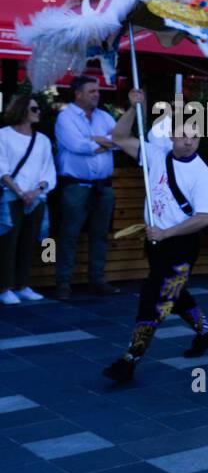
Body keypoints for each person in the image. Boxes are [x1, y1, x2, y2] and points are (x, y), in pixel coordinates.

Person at [102, 93, 208, 382]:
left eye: (194, 137)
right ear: (171, 136)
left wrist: (167, 232)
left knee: (154, 300)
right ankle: (206, 333)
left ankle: (130, 361)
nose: (189, 141)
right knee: (175, 295)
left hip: (180, 245)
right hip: (156, 243)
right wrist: (133, 107)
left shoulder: (202, 174)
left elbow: (204, 218)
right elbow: (118, 136)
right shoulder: (156, 155)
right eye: (183, 136)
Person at [53, 76, 127, 299]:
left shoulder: (104, 116)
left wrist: (97, 140)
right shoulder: (65, 117)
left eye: (98, 91)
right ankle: (63, 283)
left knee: (100, 234)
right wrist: (105, 142)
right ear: (78, 94)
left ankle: (97, 278)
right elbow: (78, 145)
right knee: (68, 235)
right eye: (92, 91)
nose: (97, 94)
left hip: (102, 187)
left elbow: (120, 141)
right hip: (75, 186)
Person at [0, 93, 55, 304]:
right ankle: (4, 287)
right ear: (22, 110)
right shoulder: (3, 135)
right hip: (10, 196)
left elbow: (48, 169)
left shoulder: (42, 140)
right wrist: (20, 192)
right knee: (8, 243)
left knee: (29, 243)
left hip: (36, 198)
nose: (38, 112)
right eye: (34, 109)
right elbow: (2, 168)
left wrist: (36, 191)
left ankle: (22, 285)